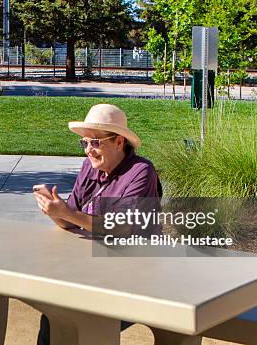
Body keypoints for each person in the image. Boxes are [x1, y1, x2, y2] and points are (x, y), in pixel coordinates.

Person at [33, 103, 162, 345]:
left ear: (119, 142)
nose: (88, 150)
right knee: (52, 316)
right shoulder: (89, 168)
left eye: (96, 142)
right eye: (85, 143)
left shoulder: (141, 172)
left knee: (82, 319)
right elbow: (71, 222)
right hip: (96, 270)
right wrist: (53, 209)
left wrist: (68, 213)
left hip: (135, 275)